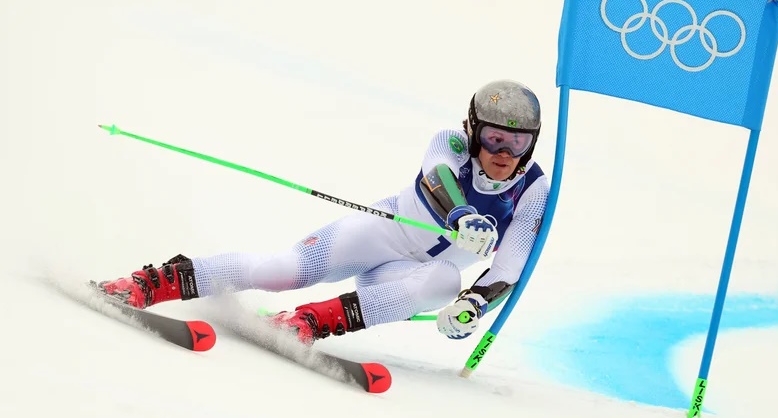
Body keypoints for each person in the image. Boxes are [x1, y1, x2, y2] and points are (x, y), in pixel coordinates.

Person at [96, 79, 550, 344]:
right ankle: (152, 283)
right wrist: (460, 217)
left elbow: (509, 265)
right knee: (283, 270)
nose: (505, 152)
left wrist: (473, 307)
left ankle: (308, 321)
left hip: (407, 280)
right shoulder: (450, 142)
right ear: (473, 130)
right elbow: (438, 176)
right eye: (494, 138)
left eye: (518, 142)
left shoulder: (533, 188)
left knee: (446, 281)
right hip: (381, 234)